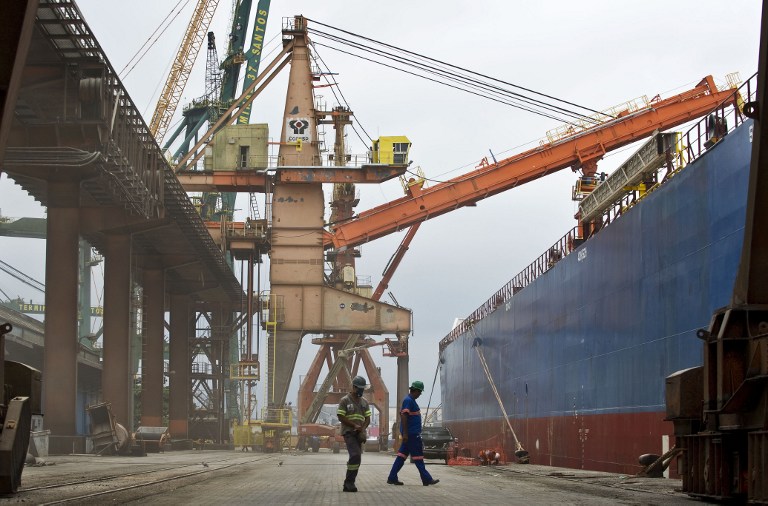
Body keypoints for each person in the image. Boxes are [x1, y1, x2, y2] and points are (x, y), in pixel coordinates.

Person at [386, 380, 439, 486]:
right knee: (418, 457)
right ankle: (426, 479)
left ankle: (392, 477)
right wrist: (405, 434)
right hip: (412, 435)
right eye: (419, 392)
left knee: (401, 457)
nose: (420, 395)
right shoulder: (409, 400)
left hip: (409, 435)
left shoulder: (410, 401)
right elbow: (404, 416)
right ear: (415, 390)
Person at [337, 375, 371, 493]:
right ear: (354, 387)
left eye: (363, 389)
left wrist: (363, 429)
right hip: (349, 432)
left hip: (358, 434)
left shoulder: (364, 402)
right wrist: (354, 425)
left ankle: (348, 483)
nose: (361, 391)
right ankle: (349, 482)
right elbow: (340, 416)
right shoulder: (345, 400)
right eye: (359, 388)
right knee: (355, 455)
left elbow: (367, 418)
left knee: (357, 458)